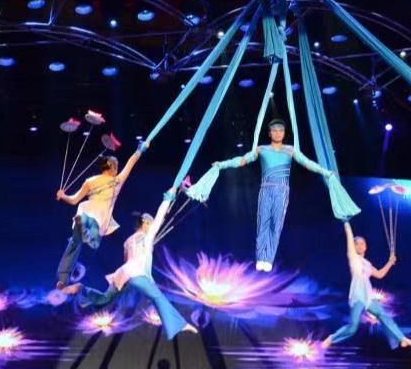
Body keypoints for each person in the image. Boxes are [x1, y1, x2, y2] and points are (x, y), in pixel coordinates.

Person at [63, 188, 197, 340]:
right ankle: (179, 325)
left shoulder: (128, 241)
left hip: (124, 275)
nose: (152, 225)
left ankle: (82, 290)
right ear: (146, 223)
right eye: (151, 223)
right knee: (158, 298)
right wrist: (168, 197)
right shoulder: (148, 236)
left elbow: (127, 261)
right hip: (136, 275)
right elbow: (161, 215)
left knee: (105, 298)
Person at [214, 119, 335, 272]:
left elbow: (308, 163)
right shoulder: (261, 149)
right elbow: (242, 160)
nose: (278, 133)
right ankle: (261, 257)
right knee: (263, 223)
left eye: (281, 130)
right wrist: (222, 164)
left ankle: (268, 258)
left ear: (284, 133)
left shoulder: (290, 150)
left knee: (276, 225)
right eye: (275, 130)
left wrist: (326, 172)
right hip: (266, 190)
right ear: (270, 133)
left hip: (282, 191)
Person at [54, 142, 148, 290]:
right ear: (112, 167)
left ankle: (62, 279)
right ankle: (84, 231)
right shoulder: (117, 180)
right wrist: (140, 150)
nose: (117, 169)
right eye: (116, 166)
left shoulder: (90, 181)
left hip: (85, 211)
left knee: (74, 244)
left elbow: (74, 200)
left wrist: (63, 196)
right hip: (99, 218)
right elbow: (131, 163)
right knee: (94, 243)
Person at [322, 222, 411, 350]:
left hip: (368, 297)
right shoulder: (353, 258)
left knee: (383, 315)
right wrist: (346, 223)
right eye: (357, 244)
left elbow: (379, 274)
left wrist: (390, 263)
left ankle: (402, 339)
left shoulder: (367, 263)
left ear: (366, 246)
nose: (360, 245)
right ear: (353, 247)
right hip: (357, 296)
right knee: (353, 327)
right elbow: (349, 237)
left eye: (362, 243)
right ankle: (331, 338)